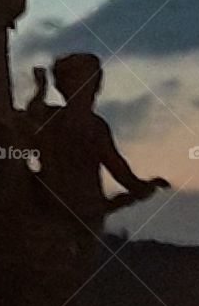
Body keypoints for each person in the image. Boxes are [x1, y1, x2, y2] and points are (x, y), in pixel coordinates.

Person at [26, 53, 169, 232]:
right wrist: (142, 189)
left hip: (59, 211)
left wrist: (40, 90)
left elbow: (33, 113)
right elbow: (120, 171)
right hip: (77, 214)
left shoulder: (54, 118)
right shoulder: (91, 126)